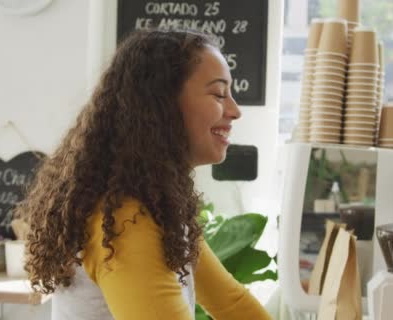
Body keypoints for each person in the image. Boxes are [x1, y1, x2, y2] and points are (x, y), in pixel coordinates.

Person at [15, 29, 272, 320]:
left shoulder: (156, 206)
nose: (235, 111)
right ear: (163, 105)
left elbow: (231, 303)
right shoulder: (127, 220)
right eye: (218, 94)